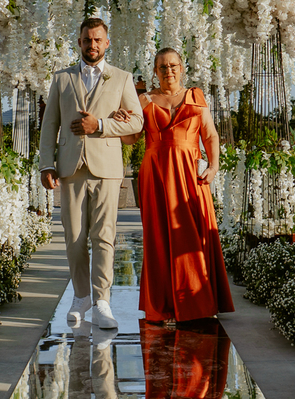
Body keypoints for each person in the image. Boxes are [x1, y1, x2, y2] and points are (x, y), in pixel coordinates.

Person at [111, 47, 233, 324]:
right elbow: (132, 139)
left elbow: (210, 135)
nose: (169, 71)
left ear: (182, 68)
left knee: (193, 234)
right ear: (155, 71)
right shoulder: (144, 100)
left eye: (173, 65)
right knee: (160, 238)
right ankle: (164, 304)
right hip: (155, 175)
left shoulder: (196, 97)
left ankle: (198, 301)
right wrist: (121, 123)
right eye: (163, 67)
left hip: (191, 175)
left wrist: (213, 167)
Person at [39, 18, 144, 329]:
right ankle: (81, 295)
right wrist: (47, 164)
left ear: (106, 43)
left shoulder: (122, 79)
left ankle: (101, 301)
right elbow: (50, 127)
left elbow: (136, 122)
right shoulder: (62, 79)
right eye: (87, 40)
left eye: (98, 40)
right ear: (80, 42)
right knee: (74, 238)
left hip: (107, 168)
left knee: (104, 238)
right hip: (70, 168)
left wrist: (100, 125)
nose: (93, 45)